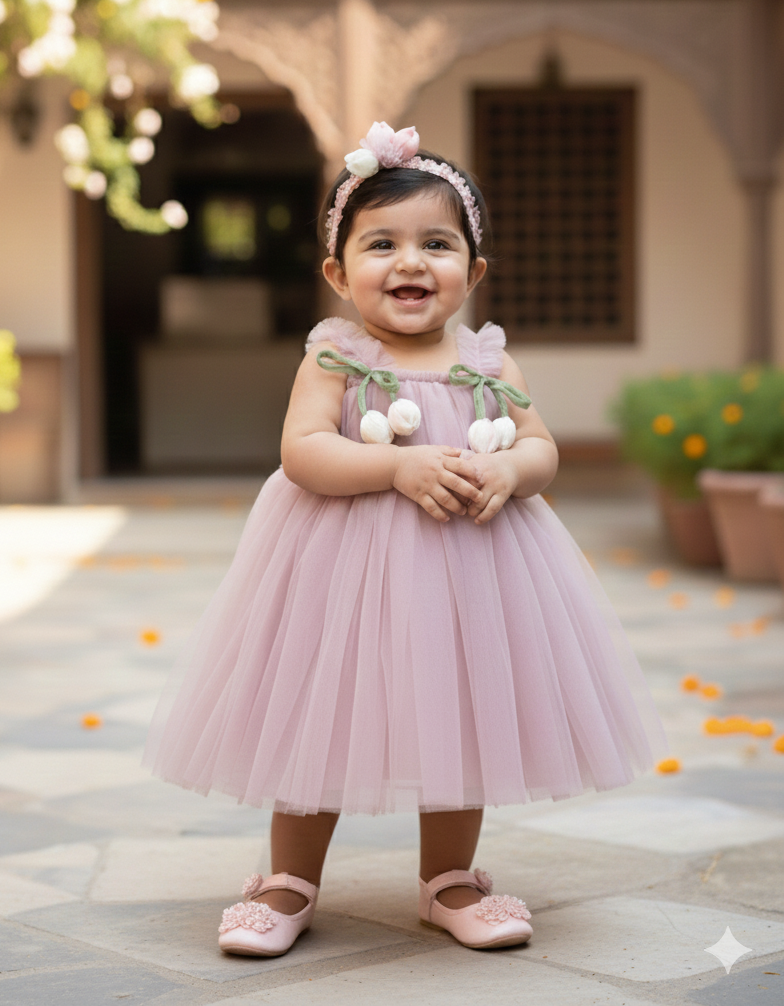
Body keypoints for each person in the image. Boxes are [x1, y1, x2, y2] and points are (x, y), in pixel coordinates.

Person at [144, 122, 666, 957]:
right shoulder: (336, 358)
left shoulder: (490, 366)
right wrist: (393, 468)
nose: (411, 262)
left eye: (437, 243)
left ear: (474, 271)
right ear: (337, 273)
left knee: (461, 707)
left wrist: (512, 472)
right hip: (337, 570)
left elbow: (541, 447)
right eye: (381, 243)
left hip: (469, 571)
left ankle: (449, 878)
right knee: (320, 708)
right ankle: (289, 878)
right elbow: (303, 452)